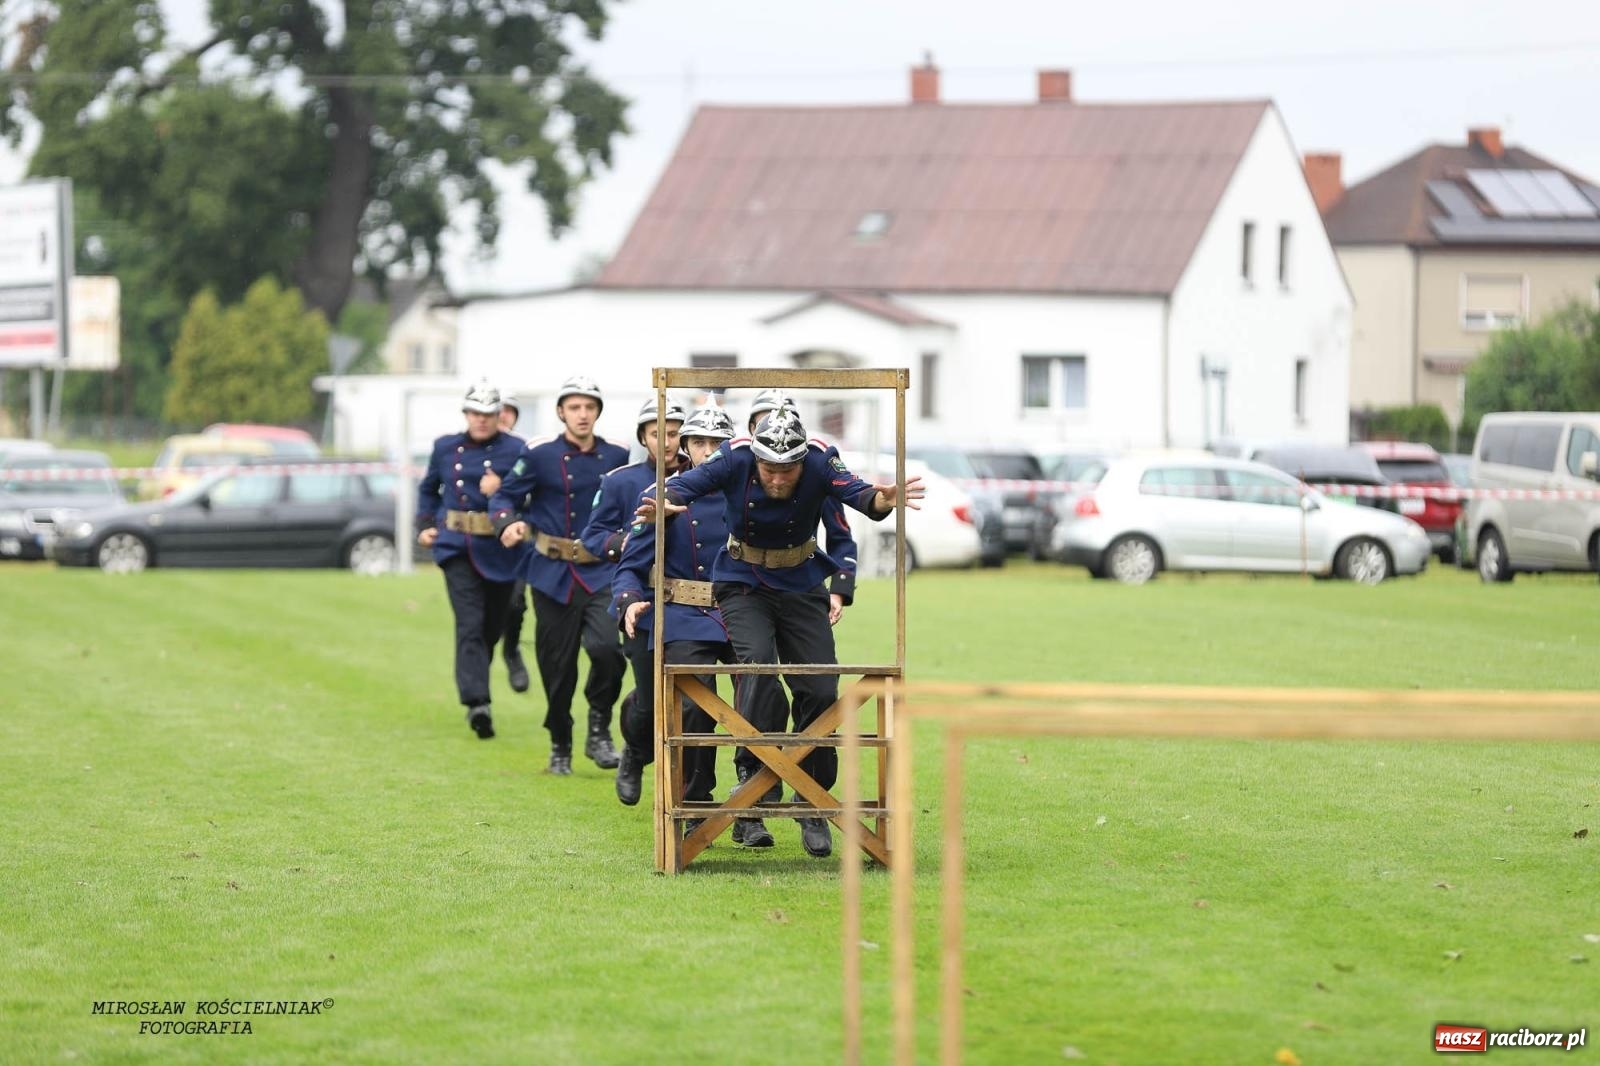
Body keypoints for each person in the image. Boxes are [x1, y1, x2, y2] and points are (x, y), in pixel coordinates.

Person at [645, 407, 923, 856]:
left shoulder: (819, 458)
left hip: (802, 583)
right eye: (769, 470)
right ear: (756, 458)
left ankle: (810, 799)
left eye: (786, 470)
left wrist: (881, 501)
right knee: (756, 668)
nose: (777, 479)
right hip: (742, 582)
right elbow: (683, 484)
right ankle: (761, 782)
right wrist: (664, 498)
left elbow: (859, 495)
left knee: (818, 686)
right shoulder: (734, 456)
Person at [490, 376, 630, 775]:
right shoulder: (539, 454)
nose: (582, 415)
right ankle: (559, 742)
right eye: (574, 407)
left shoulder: (618, 454)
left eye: (589, 407)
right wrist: (506, 523)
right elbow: (505, 496)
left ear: (597, 412)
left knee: (607, 651)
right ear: (561, 412)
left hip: (602, 569)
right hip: (551, 572)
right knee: (557, 665)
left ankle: (599, 726)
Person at [610, 406, 737, 829]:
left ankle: (751, 800)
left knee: (761, 698)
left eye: (717, 443)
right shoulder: (664, 493)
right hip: (685, 614)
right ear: (686, 447)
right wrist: (629, 600)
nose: (708, 451)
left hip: (742, 611)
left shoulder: (750, 493)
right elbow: (630, 564)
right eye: (699, 442)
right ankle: (694, 800)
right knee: (695, 702)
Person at [416, 380, 527, 740]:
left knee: (492, 626)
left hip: (500, 549)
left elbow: (531, 494)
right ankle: (478, 702)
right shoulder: (445, 447)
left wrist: (503, 489)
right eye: (475, 414)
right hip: (456, 547)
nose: (481, 420)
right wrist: (427, 525)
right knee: (469, 622)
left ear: (500, 416)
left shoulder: (517, 449)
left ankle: (481, 674)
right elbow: (428, 489)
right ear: (466, 414)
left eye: (488, 415)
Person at [580, 397, 688, 761]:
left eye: (674, 433)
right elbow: (593, 535)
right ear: (644, 438)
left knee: (688, 698)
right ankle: (634, 755)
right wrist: (627, 542)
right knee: (649, 698)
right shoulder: (619, 482)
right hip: (639, 595)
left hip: (689, 601)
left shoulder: (700, 481)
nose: (668, 442)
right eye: (658, 434)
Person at [495, 391, 532, 694]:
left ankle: (511, 650)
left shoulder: (523, 449)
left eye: (509, 411)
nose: (503, 416)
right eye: (499, 410)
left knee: (515, 601)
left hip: (517, 541)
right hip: (478, 544)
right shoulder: (465, 448)